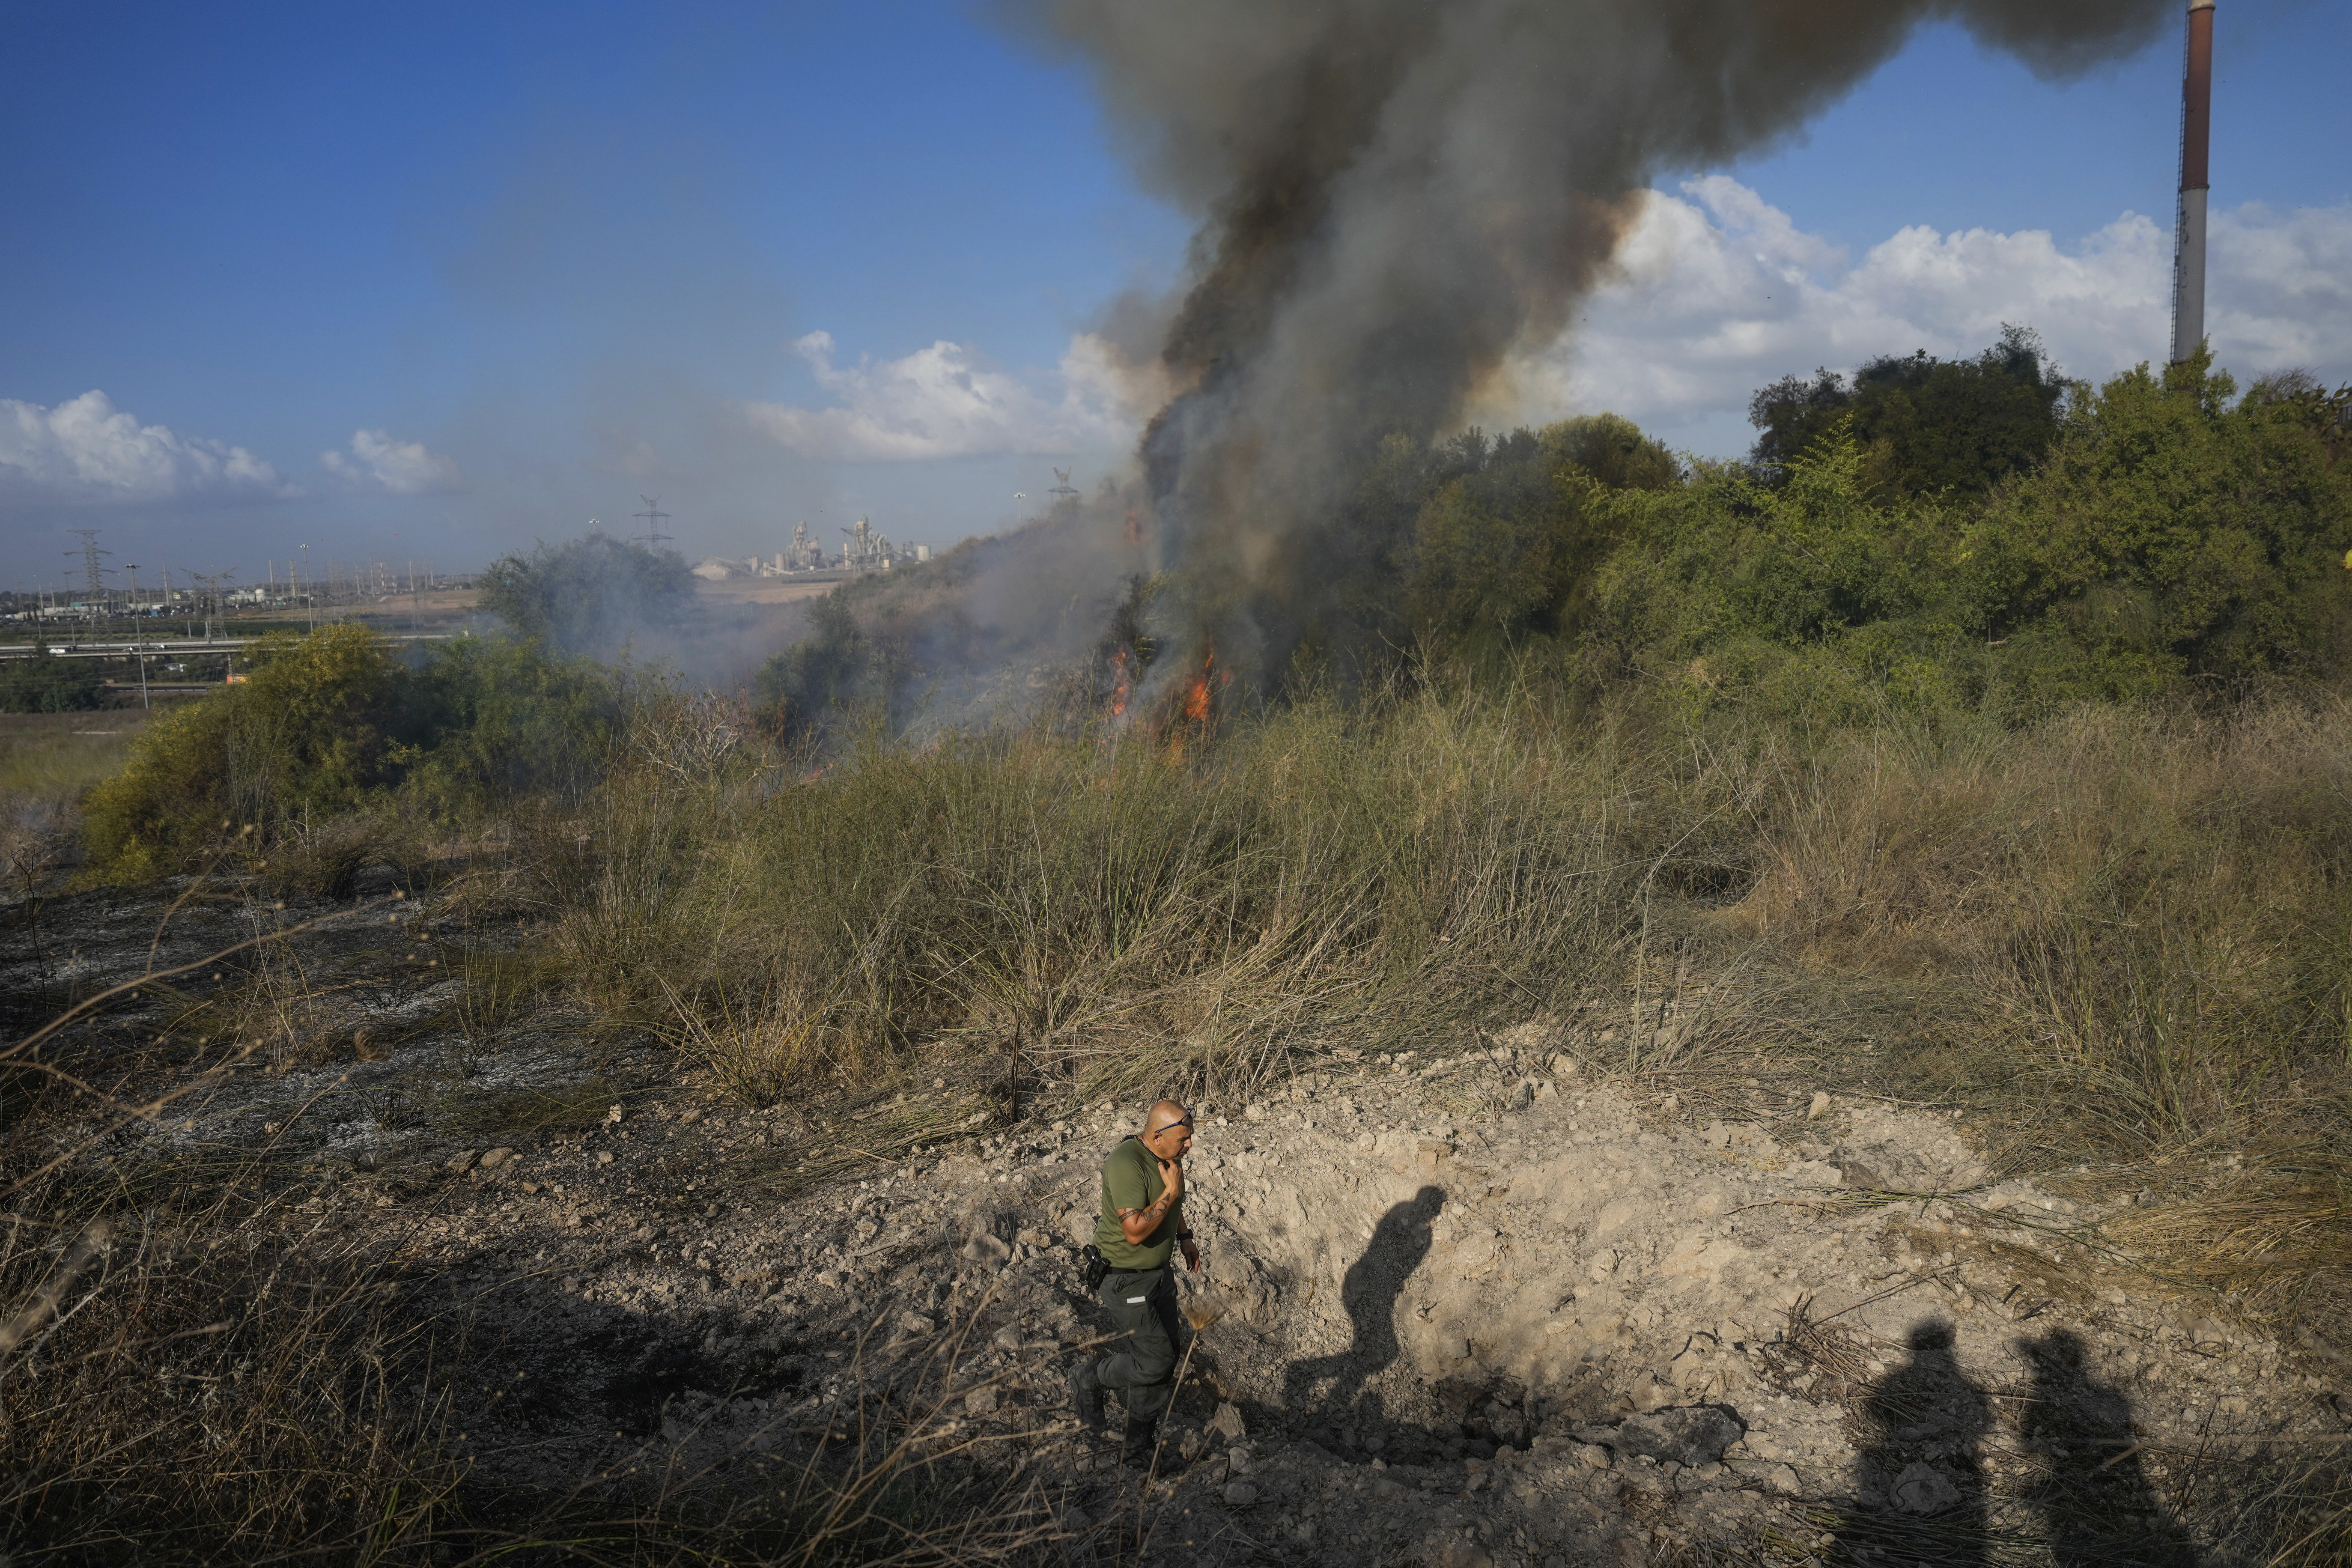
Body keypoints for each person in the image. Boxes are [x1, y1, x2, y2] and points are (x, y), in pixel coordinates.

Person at [1069, 1099, 1200, 1466]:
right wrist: (1171, 1192)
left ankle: (1137, 1448)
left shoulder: (1168, 1160)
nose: (1189, 1145)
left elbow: (1171, 1206)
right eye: (1183, 1139)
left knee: (1164, 1358)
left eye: (1190, 1138)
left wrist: (1185, 1237)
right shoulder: (1126, 1164)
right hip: (1124, 1279)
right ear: (1157, 1136)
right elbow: (1134, 1232)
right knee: (1155, 1360)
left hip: (1157, 1275)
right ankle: (1090, 1377)